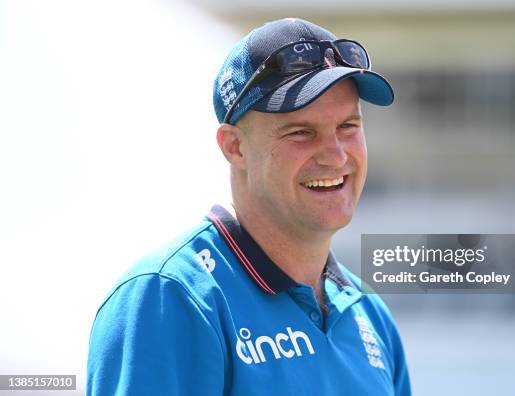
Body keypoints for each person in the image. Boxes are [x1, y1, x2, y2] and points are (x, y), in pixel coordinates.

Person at [87, 17, 411, 396]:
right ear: (234, 147)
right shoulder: (169, 299)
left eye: (348, 127)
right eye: (301, 132)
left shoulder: (369, 315)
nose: (335, 156)